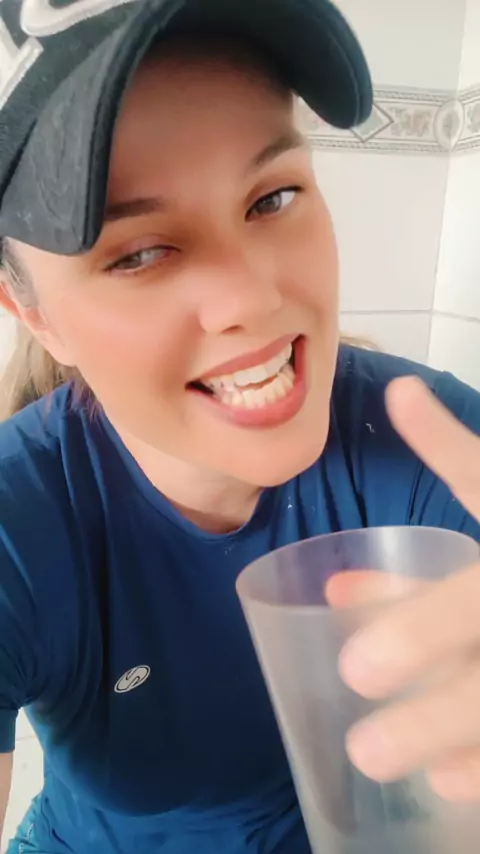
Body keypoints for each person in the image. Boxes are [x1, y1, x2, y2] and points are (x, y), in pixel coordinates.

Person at [0, 0, 479, 851]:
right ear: (36, 317)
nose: (254, 297)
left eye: (273, 197)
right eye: (138, 253)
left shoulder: (431, 445)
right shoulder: (17, 520)